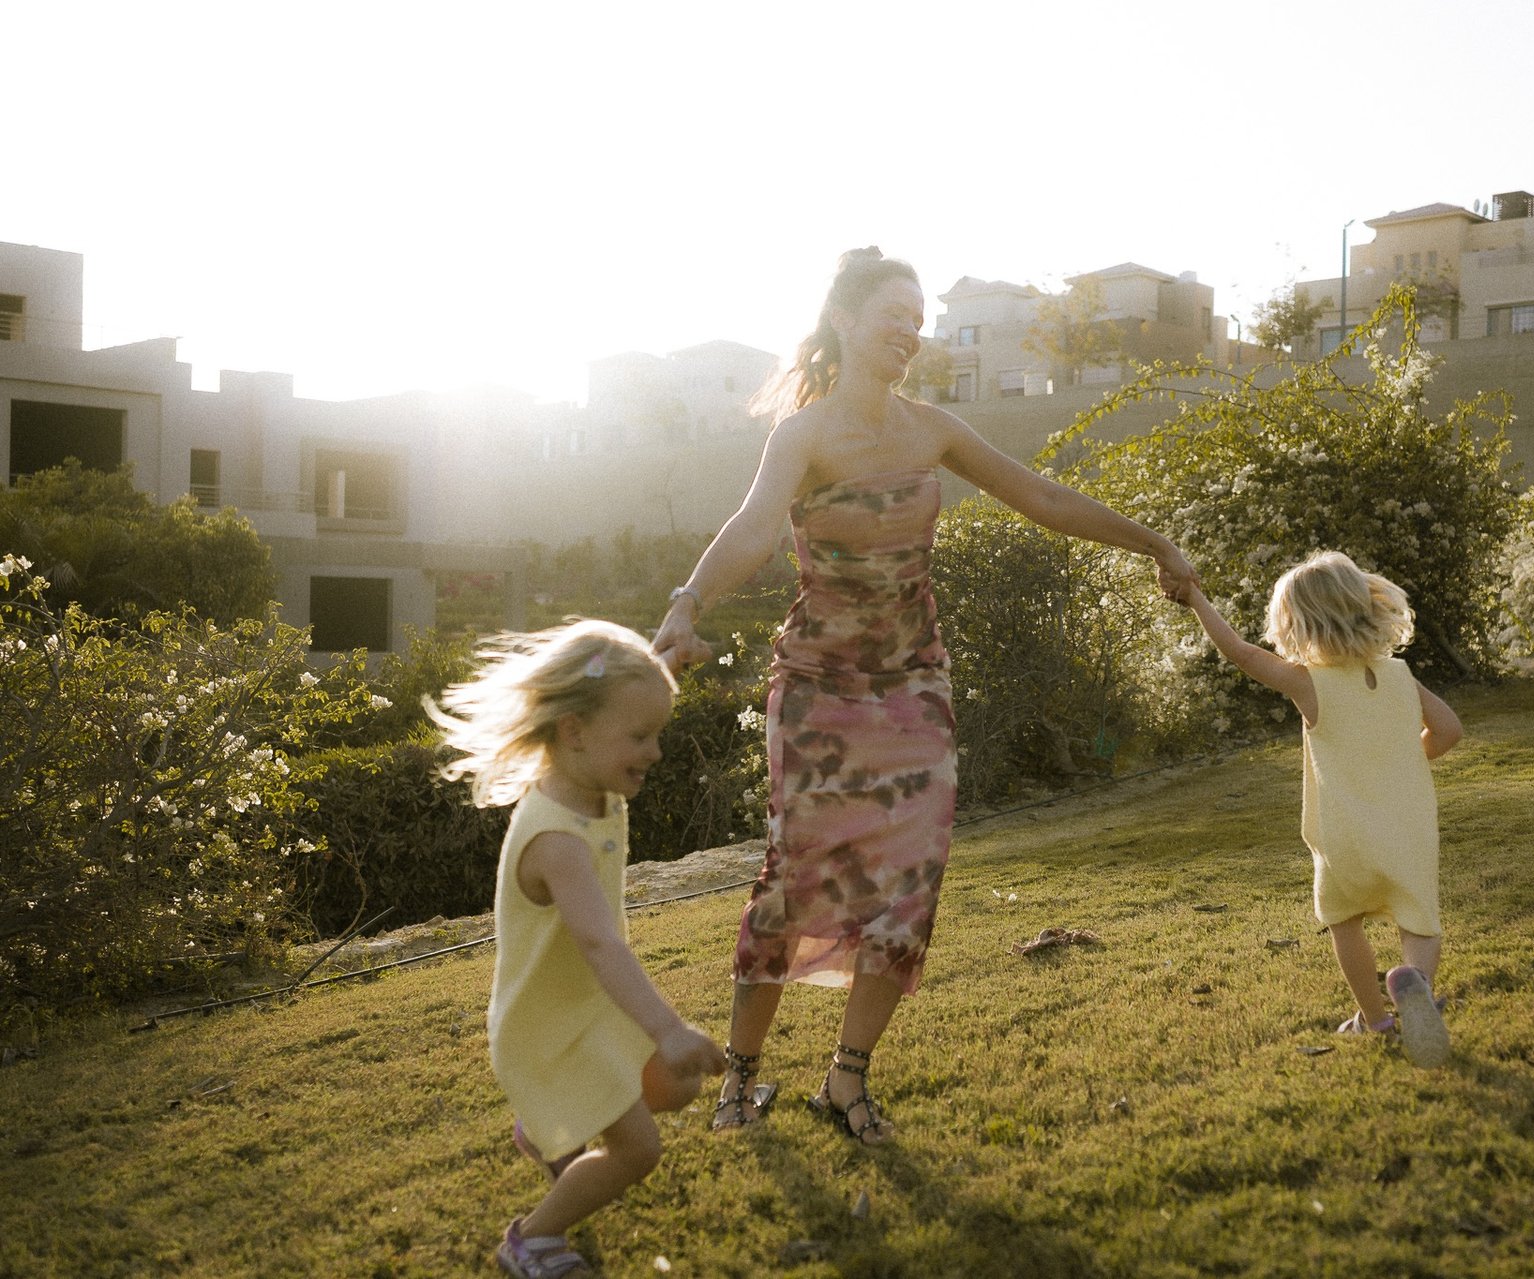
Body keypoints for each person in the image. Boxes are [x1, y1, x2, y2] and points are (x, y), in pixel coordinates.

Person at [651, 247, 1198, 1144]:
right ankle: (739, 1080)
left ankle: (847, 1078)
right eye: (893, 316)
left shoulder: (932, 429)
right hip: (819, 691)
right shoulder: (804, 435)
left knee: (911, 882)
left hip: (914, 689)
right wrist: (687, 602)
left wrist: (1154, 543)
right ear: (844, 319)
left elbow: (1040, 494)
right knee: (795, 877)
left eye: (919, 320)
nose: (910, 332)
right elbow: (751, 527)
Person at [427, 619, 727, 1277]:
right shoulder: (557, 841)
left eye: (656, 732)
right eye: (641, 736)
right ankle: (530, 1240)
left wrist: (671, 660)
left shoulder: (590, 774)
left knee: (675, 1085)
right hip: (549, 1029)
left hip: (589, 1008)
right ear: (574, 731)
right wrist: (668, 1027)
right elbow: (598, 942)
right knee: (638, 1150)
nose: (655, 752)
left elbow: (624, 686)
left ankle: (548, 1125)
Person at [1174, 551, 1462, 1068]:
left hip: (1345, 834)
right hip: (1409, 828)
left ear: (1298, 624)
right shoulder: (1400, 676)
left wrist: (1195, 597)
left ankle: (1374, 1019)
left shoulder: (1309, 682)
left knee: (1344, 921)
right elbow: (1448, 731)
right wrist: (1401, 758)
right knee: (1419, 920)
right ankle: (1417, 983)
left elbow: (1241, 653)